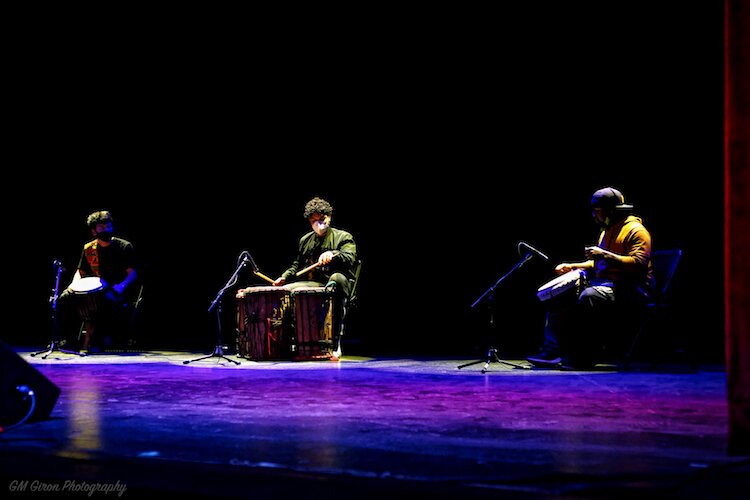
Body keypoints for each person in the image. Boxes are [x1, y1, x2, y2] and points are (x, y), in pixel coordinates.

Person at [526, 187, 654, 369]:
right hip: (609, 285)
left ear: (611, 210)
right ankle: (553, 351)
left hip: (633, 289)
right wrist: (573, 265)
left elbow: (638, 263)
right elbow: (600, 265)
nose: (594, 214)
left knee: (589, 297)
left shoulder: (636, 230)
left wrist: (605, 255)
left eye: (597, 209)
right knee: (560, 296)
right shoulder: (607, 230)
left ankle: (581, 358)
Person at [239, 197, 357, 357]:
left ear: (329, 216)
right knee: (286, 291)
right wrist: (284, 277)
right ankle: (286, 341)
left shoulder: (343, 237)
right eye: (314, 221)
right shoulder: (305, 241)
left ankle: (335, 342)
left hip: (337, 282)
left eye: (321, 219)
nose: (318, 224)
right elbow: (297, 266)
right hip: (314, 283)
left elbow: (350, 257)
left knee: (336, 279)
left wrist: (333, 254)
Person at [61, 210, 138, 352]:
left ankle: (96, 342)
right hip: (97, 288)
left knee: (103, 301)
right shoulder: (89, 249)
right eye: (102, 228)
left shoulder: (124, 246)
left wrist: (120, 286)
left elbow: (132, 273)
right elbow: (80, 271)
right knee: (65, 298)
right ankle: (69, 340)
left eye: (108, 226)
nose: (106, 230)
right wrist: (74, 285)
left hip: (117, 289)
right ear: (94, 231)